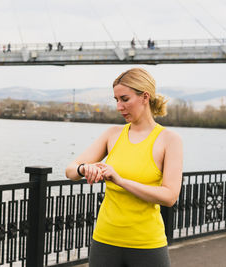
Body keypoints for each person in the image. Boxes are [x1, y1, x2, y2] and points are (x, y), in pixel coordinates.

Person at [65, 68, 183, 267]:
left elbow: (170, 196)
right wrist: (84, 169)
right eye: (116, 100)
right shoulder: (112, 134)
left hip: (147, 245)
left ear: (145, 97)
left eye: (125, 99)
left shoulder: (169, 140)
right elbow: (70, 170)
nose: (119, 107)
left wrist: (120, 181)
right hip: (104, 241)